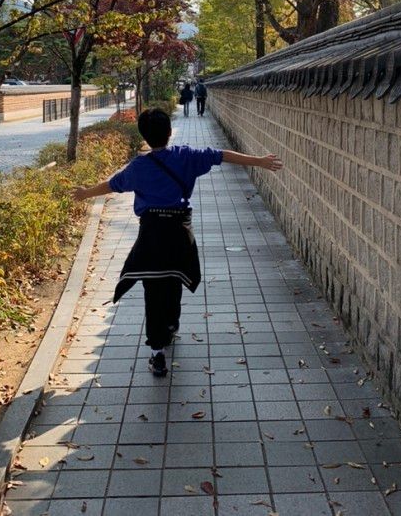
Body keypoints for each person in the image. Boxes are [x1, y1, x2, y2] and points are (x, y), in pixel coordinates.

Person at [73, 108, 283, 377]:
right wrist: (260, 161)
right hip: (179, 234)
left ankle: (157, 352)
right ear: (170, 132)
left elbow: (111, 185)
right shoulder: (186, 157)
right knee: (174, 280)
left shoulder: (139, 167)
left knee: (153, 289)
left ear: (144, 137)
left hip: (150, 237)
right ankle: (171, 325)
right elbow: (222, 155)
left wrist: (85, 193)